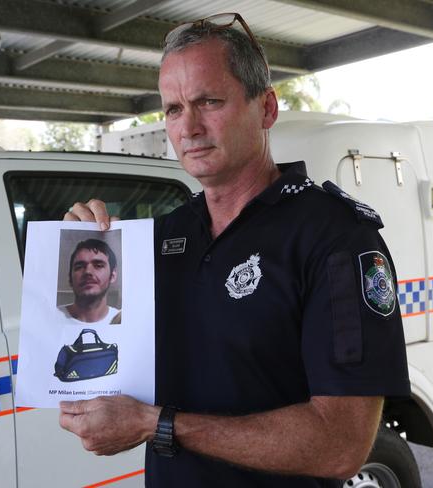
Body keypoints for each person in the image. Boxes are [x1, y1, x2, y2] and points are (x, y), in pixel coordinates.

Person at [58, 13, 409, 488]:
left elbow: (340, 444)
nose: (189, 127)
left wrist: (155, 424)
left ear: (266, 109)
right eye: (174, 108)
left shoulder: (335, 237)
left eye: (210, 101)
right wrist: (78, 244)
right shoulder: (162, 237)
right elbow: (108, 359)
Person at [57, 238, 121, 325]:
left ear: (112, 275)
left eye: (98, 265)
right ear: (70, 278)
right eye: (79, 267)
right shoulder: (52, 317)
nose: (88, 272)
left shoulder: (120, 320)